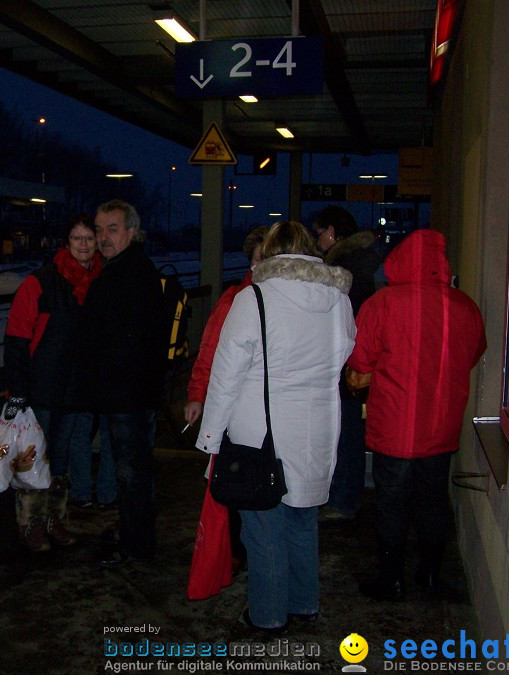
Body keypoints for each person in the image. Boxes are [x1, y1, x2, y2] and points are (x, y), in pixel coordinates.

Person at [197, 220, 355, 633]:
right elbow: (342, 356)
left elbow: (226, 374)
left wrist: (210, 437)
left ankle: (267, 615)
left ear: (268, 253)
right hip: (318, 427)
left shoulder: (254, 298)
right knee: (302, 520)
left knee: (263, 527)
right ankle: (304, 604)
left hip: (260, 433)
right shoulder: (338, 299)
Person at [346, 228, 486, 602]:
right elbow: (474, 353)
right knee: (433, 499)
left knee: (391, 501)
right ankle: (429, 576)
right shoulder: (464, 306)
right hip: (441, 425)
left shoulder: (384, 303)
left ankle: (391, 579)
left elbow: (360, 361)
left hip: (395, 425)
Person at [3, 214, 103, 551]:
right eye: (77, 238)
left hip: (77, 390)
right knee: (34, 460)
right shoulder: (41, 283)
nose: (84, 245)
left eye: (89, 238)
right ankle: (30, 523)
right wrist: (17, 391)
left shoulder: (100, 285)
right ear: (66, 243)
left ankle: (54, 520)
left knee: (59, 462)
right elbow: (17, 338)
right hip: (41, 390)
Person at [76, 199, 166, 568]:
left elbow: (122, 341)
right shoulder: (127, 270)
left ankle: (134, 547)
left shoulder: (128, 275)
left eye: (112, 229)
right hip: (129, 393)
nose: (103, 238)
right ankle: (136, 540)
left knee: (131, 475)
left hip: (126, 395)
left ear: (131, 231)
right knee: (135, 472)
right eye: (99, 231)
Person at [183, 225, 268, 574]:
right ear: (250, 260)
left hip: (271, 411)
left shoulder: (287, 301)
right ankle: (235, 549)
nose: (265, 265)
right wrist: (197, 395)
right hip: (236, 408)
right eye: (260, 257)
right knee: (235, 478)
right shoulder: (234, 299)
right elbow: (210, 350)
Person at [313, 205, 380, 521]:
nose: (318, 239)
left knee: (345, 433)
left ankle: (343, 498)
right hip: (356, 360)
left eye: (321, 232)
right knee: (348, 430)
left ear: (333, 232)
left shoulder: (342, 269)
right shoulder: (363, 263)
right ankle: (344, 496)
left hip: (345, 362)